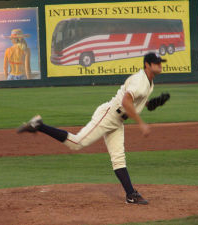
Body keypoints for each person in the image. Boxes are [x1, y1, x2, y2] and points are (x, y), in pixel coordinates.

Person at [17, 52, 168, 205]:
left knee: (118, 159)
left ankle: (131, 195)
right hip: (109, 115)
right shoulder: (140, 80)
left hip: (117, 121)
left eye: (160, 62)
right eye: (156, 63)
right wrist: (141, 123)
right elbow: (126, 101)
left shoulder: (148, 82)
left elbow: (137, 100)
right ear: (147, 65)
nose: (160, 65)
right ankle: (39, 125)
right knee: (76, 143)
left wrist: (152, 104)